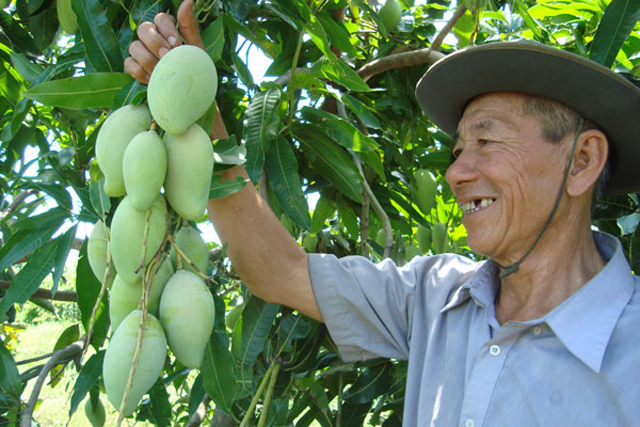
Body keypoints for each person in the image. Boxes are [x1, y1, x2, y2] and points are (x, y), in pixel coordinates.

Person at [126, 1, 640, 425]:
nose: (456, 174)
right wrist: (197, 112)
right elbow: (278, 271)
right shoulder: (436, 297)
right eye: (458, 150)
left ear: (582, 160)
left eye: (487, 139)